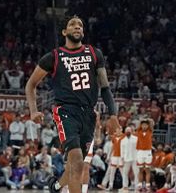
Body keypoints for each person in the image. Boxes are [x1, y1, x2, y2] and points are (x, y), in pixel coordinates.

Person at [26, 16, 117, 193]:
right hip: (66, 111)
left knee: (78, 164)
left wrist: (113, 115)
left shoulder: (94, 53)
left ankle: (57, 186)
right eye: (72, 25)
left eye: (80, 25)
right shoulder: (54, 56)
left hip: (88, 113)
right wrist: (33, 110)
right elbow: (31, 84)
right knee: (75, 161)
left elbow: (105, 88)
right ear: (64, 32)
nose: (77, 27)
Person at [101, 124, 125, 190]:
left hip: (121, 156)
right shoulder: (114, 137)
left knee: (122, 171)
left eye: (119, 129)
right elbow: (112, 147)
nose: (118, 130)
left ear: (121, 129)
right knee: (112, 171)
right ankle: (110, 185)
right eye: (117, 129)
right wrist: (109, 156)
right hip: (114, 156)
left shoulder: (124, 136)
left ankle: (124, 186)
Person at [135, 120, 154, 190]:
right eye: (143, 125)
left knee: (147, 169)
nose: (144, 126)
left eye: (146, 125)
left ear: (148, 126)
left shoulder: (150, 131)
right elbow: (138, 125)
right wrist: (141, 121)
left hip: (148, 152)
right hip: (140, 151)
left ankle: (147, 184)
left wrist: (147, 120)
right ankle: (140, 184)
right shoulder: (138, 131)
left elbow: (151, 123)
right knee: (140, 169)